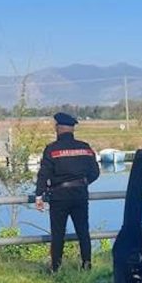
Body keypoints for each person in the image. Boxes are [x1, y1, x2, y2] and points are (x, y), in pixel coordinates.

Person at [35, 112, 100, 272]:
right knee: (83, 232)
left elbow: (44, 173)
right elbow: (95, 172)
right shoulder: (85, 148)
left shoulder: (52, 149)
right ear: (72, 129)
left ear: (58, 128)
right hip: (80, 195)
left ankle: (56, 269)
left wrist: (39, 195)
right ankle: (87, 266)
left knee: (58, 234)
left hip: (59, 196)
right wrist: (83, 183)